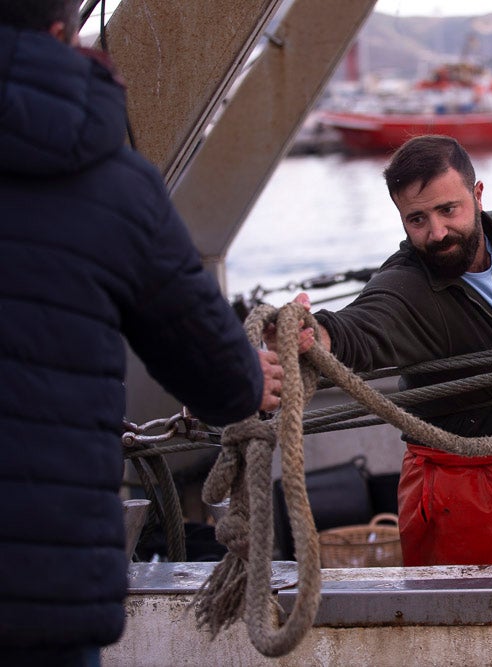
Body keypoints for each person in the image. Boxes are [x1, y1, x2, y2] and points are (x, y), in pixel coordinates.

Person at [0, 3, 285, 664]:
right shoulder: (110, 180)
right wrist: (251, 376)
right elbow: (218, 376)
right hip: (39, 589)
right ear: (63, 31)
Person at [282, 134, 492, 567]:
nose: (436, 233)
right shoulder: (405, 287)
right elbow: (359, 328)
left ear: (478, 194)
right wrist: (313, 336)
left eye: (448, 210)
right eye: (417, 219)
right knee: (478, 613)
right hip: (458, 492)